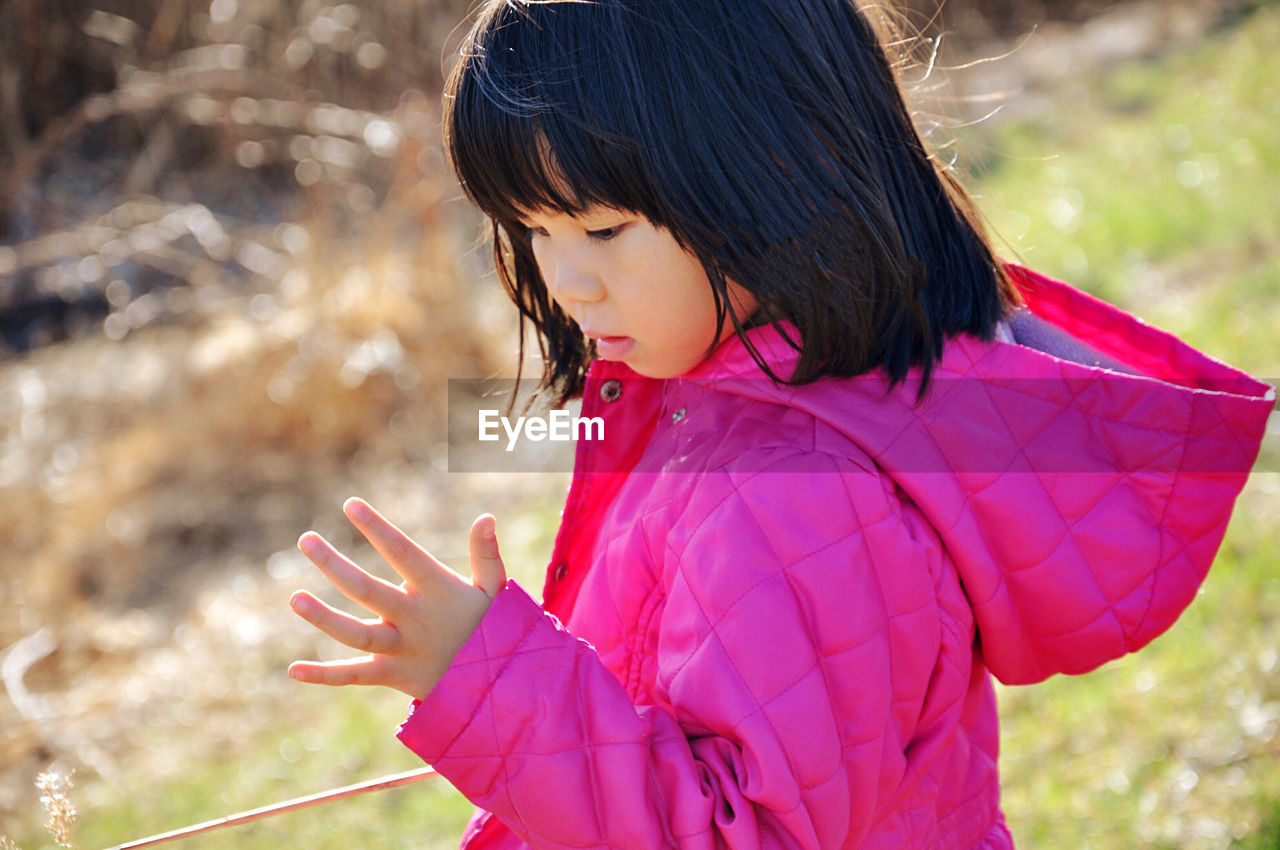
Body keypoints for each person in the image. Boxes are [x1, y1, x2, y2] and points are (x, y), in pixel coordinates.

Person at [286, 0, 1275, 847]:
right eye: (532, 231)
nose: (565, 279)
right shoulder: (737, 394)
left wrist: (487, 680)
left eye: (599, 230)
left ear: (772, 178)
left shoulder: (794, 489)